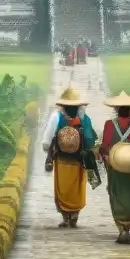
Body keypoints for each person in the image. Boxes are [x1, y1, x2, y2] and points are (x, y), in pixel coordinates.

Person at [42, 85, 98, 228]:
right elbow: (90, 140)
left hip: (62, 160)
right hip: (78, 160)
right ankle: (74, 215)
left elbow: (48, 140)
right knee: (77, 188)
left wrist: (49, 154)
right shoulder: (85, 119)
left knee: (62, 188)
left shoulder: (57, 117)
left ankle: (65, 217)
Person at [99, 91, 130, 244]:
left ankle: (122, 229)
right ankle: (128, 227)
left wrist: (105, 156)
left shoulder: (109, 124)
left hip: (115, 166)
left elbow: (105, 147)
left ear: (116, 109)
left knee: (116, 194)